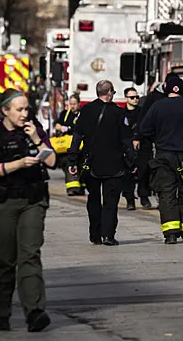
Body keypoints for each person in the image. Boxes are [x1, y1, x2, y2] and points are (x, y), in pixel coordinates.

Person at [0, 89, 56, 332]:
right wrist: (19, 164)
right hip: (3, 202)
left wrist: (35, 140)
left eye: (26, 109)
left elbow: (53, 161)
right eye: (19, 109)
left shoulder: (33, 131)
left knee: (30, 255)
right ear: (5, 111)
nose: (24, 114)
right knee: (4, 260)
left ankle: (35, 312)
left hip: (32, 200)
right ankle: (1, 314)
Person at [67, 80, 136, 246]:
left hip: (91, 164)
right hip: (114, 164)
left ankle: (95, 234)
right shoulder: (119, 113)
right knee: (110, 201)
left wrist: (73, 160)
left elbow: (77, 138)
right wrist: (133, 162)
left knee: (93, 199)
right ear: (110, 92)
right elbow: (127, 141)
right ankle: (108, 235)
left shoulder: (86, 111)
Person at [139, 75, 183, 244]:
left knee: (166, 193)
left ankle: (170, 233)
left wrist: (157, 138)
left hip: (164, 156)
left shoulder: (157, 106)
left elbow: (144, 130)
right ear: (181, 89)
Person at [121, 86, 148, 210]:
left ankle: (144, 197)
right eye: (132, 97)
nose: (135, 99)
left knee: (143, 172)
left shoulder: (143, 112)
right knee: (127, 175)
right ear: (126, 98)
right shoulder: (121, 114)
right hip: (126, 148)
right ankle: (130, 199)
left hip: (141, 146)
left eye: (137, 97)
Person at [53, 94, 83, 196]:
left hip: (80, 145)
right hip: (67, 146)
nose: (72, 106)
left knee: (81, 165)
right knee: (67, 163)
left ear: (79, 104)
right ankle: (72, 188)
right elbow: (56, 124)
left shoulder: (83, 115)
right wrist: (61, 128)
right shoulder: (65, 114)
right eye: (71, 104)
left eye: (74, 104)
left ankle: (80, 187)